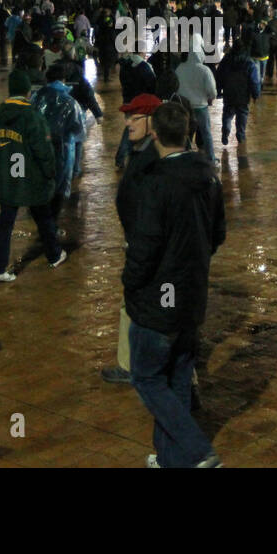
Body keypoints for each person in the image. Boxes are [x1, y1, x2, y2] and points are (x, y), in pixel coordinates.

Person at [124, 102, 225, 468]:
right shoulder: (209, 177)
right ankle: (171, 461)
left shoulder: (156, 184)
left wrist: (131, 285)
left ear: (154, 135)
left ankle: (197, 450)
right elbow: (218, 234)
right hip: (191, 296)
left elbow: (144, 247)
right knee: (179, 376)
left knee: (148, 377)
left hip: (157, 301)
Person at [101, 93, 164, 385]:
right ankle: (130, 364)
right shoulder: (142, 151)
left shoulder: (155, 158)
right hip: (140, 244)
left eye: (134, 117)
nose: (127, 122)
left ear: (153, 121)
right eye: (128, 116)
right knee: (135, 304)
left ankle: (175, 376)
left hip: (149, 248)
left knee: (155, 310)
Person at [0, 69, 66, 281]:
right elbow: (44, 151)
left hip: (8, 179)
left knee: (5, 222)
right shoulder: (32, 116)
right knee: (43, 217)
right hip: (31, 178)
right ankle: (55, 255)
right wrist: (51, 173)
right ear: (28, 92)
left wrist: (2, 168)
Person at [32, 63, 86, 216]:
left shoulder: (36, 98)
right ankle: (52, 224)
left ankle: (44, 224)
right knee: (59, 188)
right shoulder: (70, 102)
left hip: (39, 150)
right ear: (64, 80)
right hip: (62, 151)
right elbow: (79, 132)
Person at [175, 35, 218, 163]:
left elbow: (176, 87)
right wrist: (211, 98)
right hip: (201, 106)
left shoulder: (179, 68)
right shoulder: (204, 70)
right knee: (206, 133)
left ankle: (185, 158)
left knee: (186, 133)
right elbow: (211, 91)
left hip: (184, 107)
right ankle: (211, 158)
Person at [217, 41, 261, 150]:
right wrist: (255, 94)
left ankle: (226, 131)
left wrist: (218, 91)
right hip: (243, 95)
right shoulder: (249, 63)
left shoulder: (225, 61)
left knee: (227, 113)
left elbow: (218, 76)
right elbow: (254, 81)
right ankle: (240, 135)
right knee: (242, 115)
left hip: (228, 93)